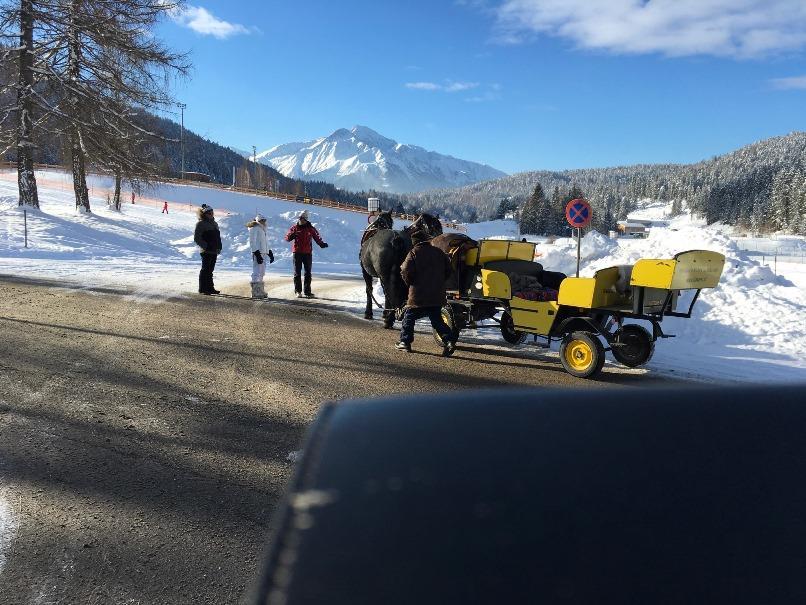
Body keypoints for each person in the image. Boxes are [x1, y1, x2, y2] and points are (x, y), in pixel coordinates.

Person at [396, 230, 456, 357]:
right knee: (437, 320)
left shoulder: (413, 253)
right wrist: (439, 283)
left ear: (415, 242)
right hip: (436, 295)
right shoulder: (439, 252)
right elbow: (449, 270)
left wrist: (411, 283)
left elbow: (405, 271)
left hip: (418, 295)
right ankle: (449, 340)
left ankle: (405, 342)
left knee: (409, 317)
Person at [285, 210, 328, 298]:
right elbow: (287, 238)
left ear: (306, 219)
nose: (300, 220)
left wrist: (321, 244)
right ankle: (298, 291)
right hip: (297, 253)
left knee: (308, 273)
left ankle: (307, 292)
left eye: (302, 218)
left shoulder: (311, 228)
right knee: (297, 273)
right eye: (299, 218)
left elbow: (317, 237)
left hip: (307, 254)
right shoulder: (294, 228)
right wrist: (292, 235)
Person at [194, 204, 222, 295]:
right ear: (204, 214)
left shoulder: (215, 223)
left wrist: (219, 246)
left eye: (212, 212)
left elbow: (217, 237)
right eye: (209, 213)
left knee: (210, 270)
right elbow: (197, 238)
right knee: (205, 269)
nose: (211, 214)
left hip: (214, 251)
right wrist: (206, 246)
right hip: (206, 251)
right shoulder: (201, 223)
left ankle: (210, 288)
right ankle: (202, 288)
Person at [247, 214, 274, 299]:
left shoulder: (263, 229)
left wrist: (269, 252)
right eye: (262, 220)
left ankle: (260, 291)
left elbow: (265, 243)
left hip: (264, 253)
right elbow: (252, 242)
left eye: (264, 220)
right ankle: (255, 292)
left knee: (262, 272)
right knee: (256, 271)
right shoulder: (254, 228)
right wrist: (256, 253)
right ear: (258, 221)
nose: (264, 222)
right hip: (258, 253)